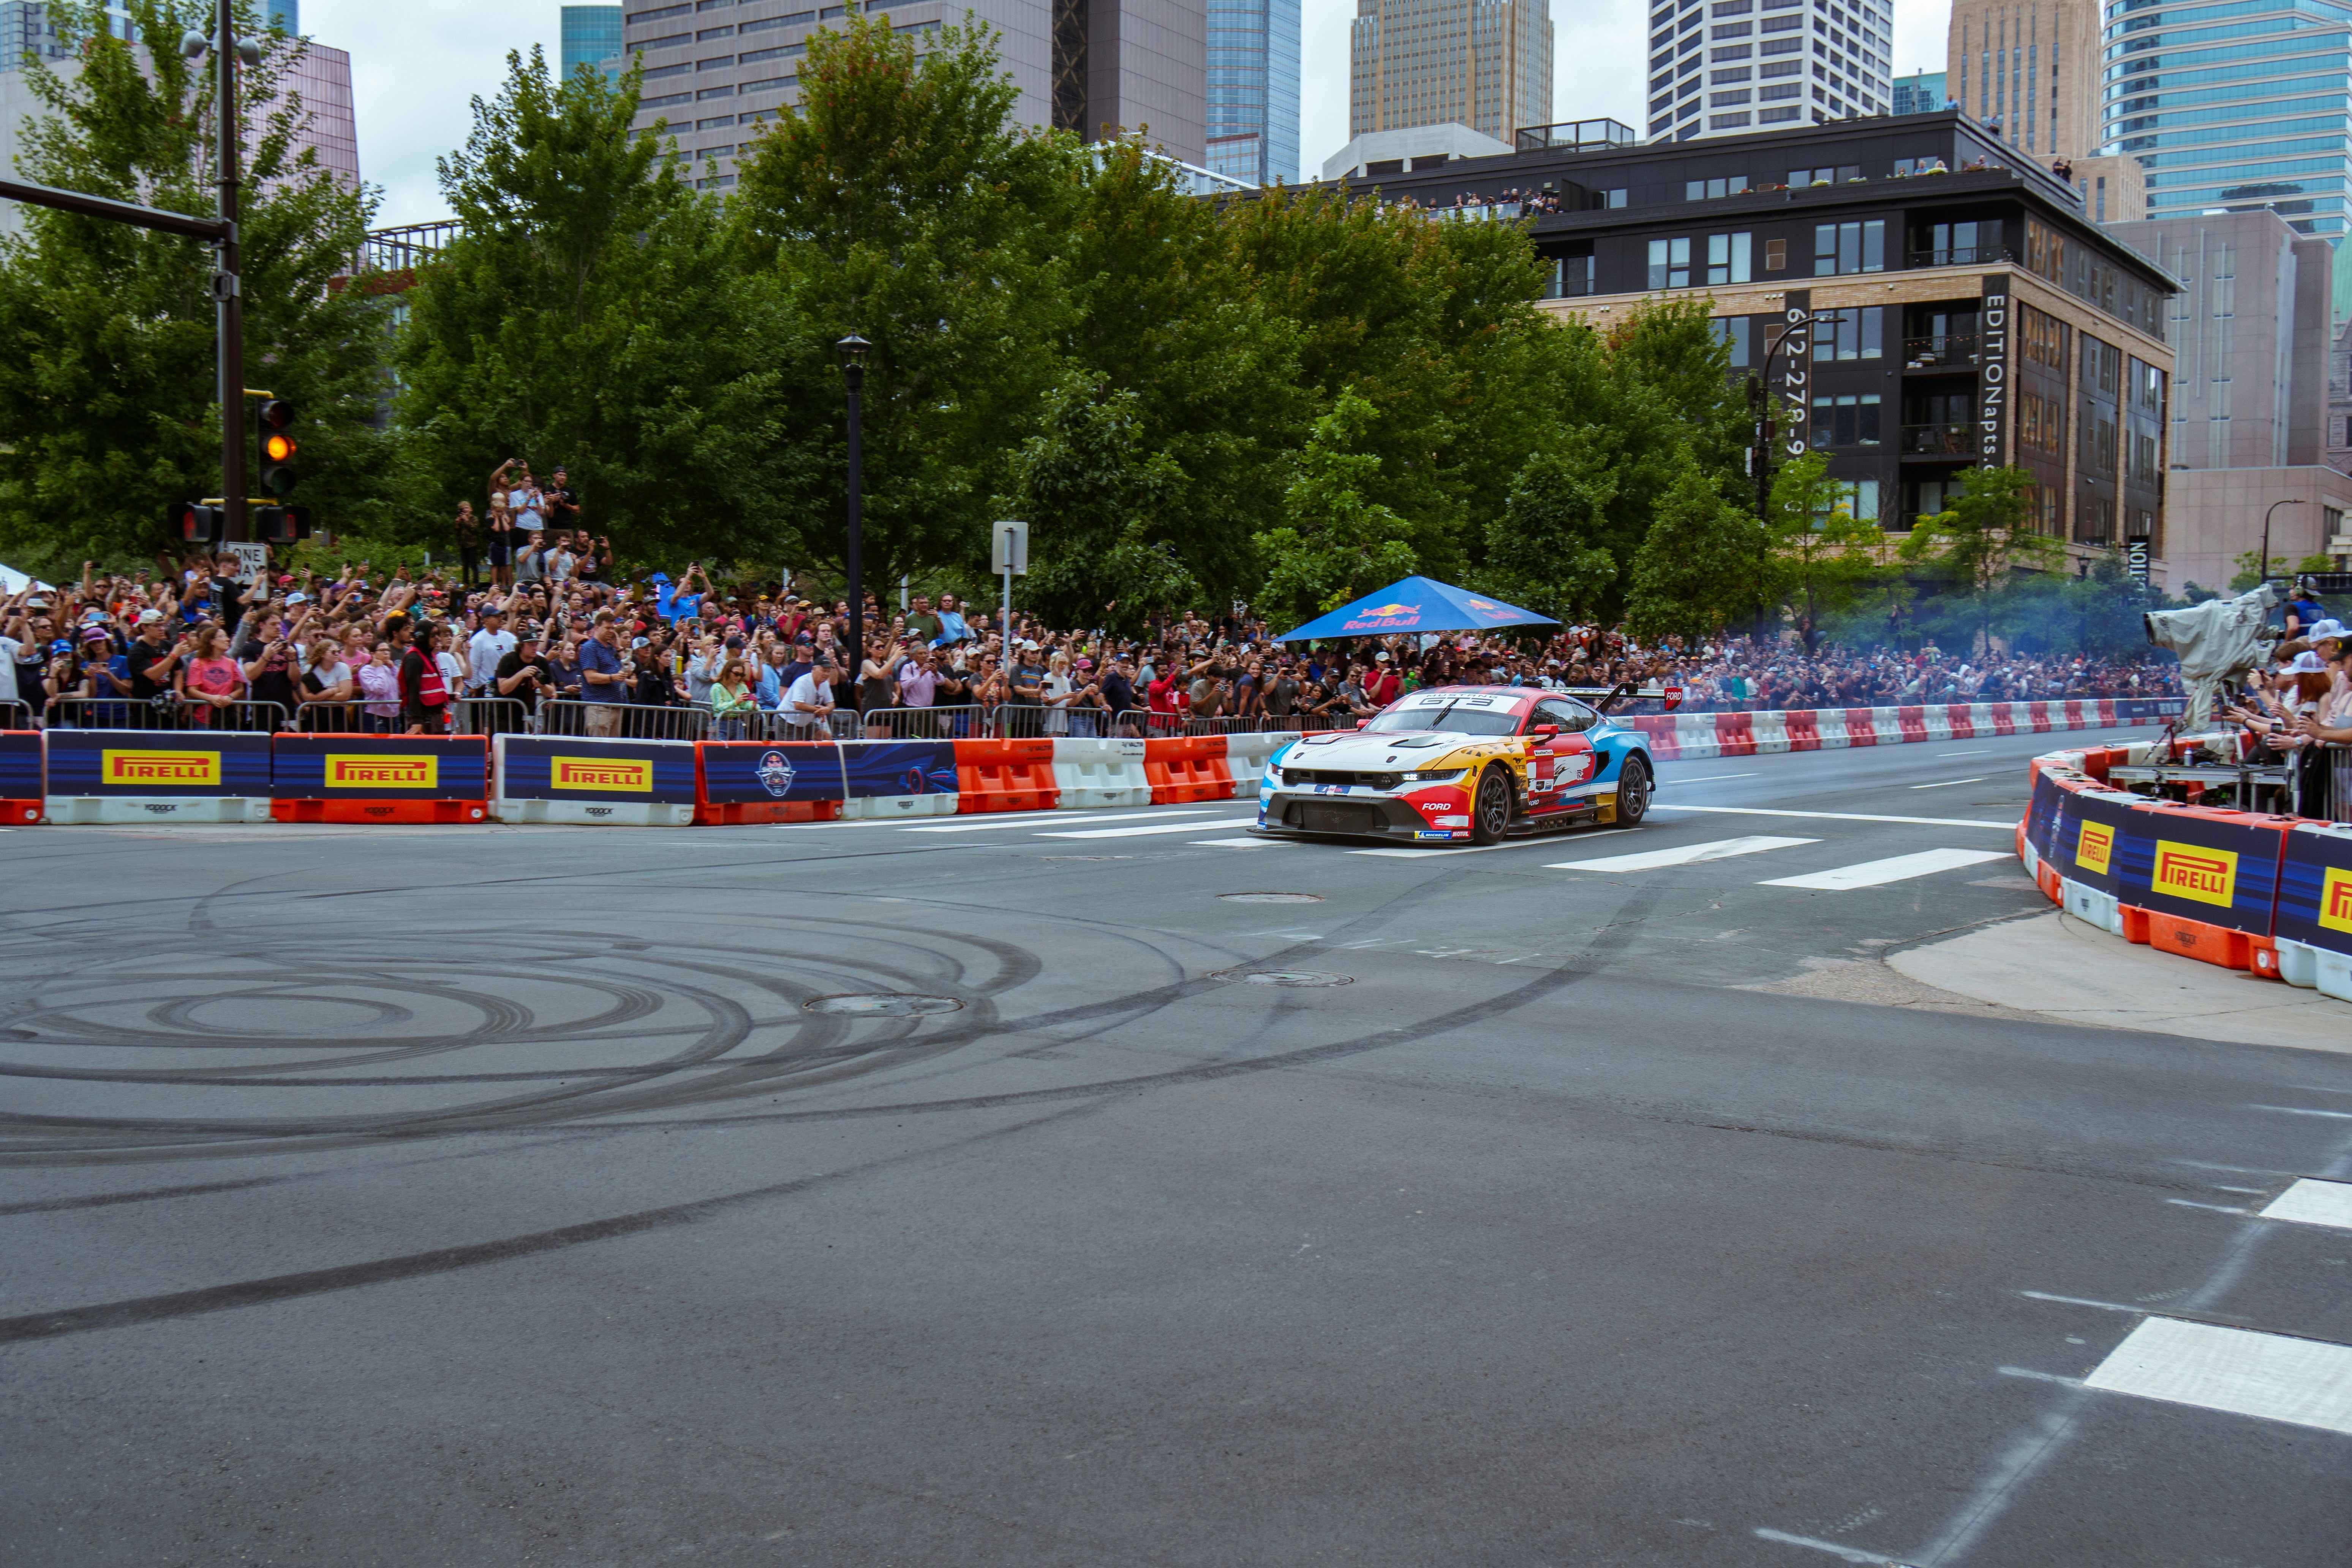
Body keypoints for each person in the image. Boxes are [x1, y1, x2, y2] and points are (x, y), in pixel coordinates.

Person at [177, 624, 245, 727]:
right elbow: (192, 690)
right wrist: (212, 699)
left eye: (227, 637)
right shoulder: (198, 662)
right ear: (212, 642)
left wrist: (230, 697)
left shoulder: (232, 663)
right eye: (222, 637)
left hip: (226, 717)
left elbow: (240, 689)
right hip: (203, 719)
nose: (227, 640)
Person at [578, 615, 629, 737]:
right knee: (599, 751)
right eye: (608, 628)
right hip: (599, 708)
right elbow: (591, 677)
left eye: (613, 628)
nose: (611, 632)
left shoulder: (612, 648)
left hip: (616, 707)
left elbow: (629, 670)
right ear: (597, 627)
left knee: (612, 753)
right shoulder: (589, 648)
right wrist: (614, 677)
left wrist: (619, 648)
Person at [783, 650, 838, 736]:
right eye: (824, 671)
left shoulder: (825, 684)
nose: (827, 674)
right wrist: (819, 711)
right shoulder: (802, 682)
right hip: (787, 721)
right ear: (814, 669)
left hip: (806, 723)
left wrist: (826, 710)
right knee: (790, 749)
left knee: (826, 737)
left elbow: (831, 703)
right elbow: (798, 704)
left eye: (828, 671)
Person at [710, 657, 756, 741]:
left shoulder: (742, 687)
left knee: (739, 752)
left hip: (737, 724)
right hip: (721, 723)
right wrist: (735, 702)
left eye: (741, 675)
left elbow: (746, 704)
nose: (739, 677)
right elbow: (718, 707)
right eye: (736, 674)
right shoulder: (717, 688)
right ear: (728, 671)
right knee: (720, 751)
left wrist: (753, 706)